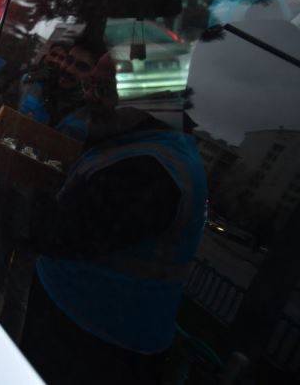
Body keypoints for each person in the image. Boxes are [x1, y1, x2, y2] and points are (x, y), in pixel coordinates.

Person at [20, 52, 208, 384]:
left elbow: (61, 231)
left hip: (98, 348)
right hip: (71, 319)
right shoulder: (130, 139)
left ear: (151, 95)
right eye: (90, 83)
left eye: (105, 87)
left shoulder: (154, 168)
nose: (91, 96)